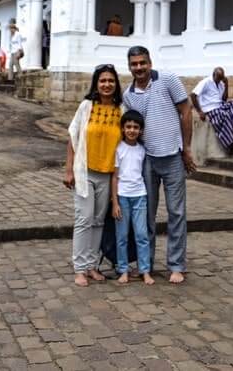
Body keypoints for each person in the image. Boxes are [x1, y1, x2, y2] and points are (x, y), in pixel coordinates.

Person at [122, 45, 196, 284]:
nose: (139, 68)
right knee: (147, 216)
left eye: (142, 63)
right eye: (134, 64)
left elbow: (186, 111)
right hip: (147, 159)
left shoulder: (168, 79)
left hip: (173, 155)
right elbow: (134, 127)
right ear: (129, 66)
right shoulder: (129, 94)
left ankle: (177, 265)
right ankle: (147, 264)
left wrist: (187, 148)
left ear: (150, 62)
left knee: (176, 212)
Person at [64, 64, 125, 286]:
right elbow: (72, 137)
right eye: (102, 81)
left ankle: (91, 266)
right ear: (96, 84)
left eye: (111, 81)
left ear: (116, 84)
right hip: (85, 172)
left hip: (108, 175)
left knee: (99, 221)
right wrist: (69, 169)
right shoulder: (86, 106)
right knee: (84, 219)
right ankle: (79, 268)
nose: (107, 85)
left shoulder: (122, 109)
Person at [111, 110, 154, 285]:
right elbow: (114, 177)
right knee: (121, 236)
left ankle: (144, 270)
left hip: (140, 196)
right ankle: (123, 270)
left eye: (136, 127)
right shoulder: (118, 149)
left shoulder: (143, 150)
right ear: (122, 128)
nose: (132, 130)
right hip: (122, 197)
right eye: (128, 126)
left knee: (142, 235)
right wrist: (114, 202)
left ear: (141, 130)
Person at [191, 67, 233, 151]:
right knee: (225, 115)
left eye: (221, 78)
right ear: (214, 75)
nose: (219, 80)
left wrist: (226, 85)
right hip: (210, 108)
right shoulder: (205, 82)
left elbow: (224, 99)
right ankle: (230, 143)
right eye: (218, 78)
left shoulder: (221, 83)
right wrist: (200, 111)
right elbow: (193, 95)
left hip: (220, 105)